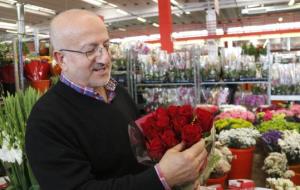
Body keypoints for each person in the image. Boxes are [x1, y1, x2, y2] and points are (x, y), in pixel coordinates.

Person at [25, 9, 207, 190]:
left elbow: (139, 155)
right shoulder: (46, 120)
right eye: (90, 51)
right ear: (61, 59)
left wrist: (181, 164)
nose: (105, 58)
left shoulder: (117, 92)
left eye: (106, 45)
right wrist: (162, 178)